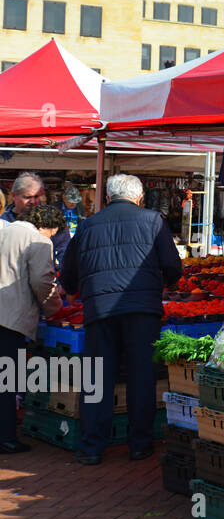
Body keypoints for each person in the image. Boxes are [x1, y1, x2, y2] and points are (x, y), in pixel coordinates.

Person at [61, 174, 183, 464]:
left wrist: (73, 290)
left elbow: (69, 272)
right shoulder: (153, 221)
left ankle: (91, 447)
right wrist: (169, 281)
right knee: (141, 376)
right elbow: (171, 264)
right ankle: (139, 444)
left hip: (100, 310)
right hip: (142, 310)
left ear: (107, 198)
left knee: (97, 379)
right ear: (139, 197)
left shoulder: (88, 225)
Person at [0, 205, 65, 455]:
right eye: (53, 233)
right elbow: (42, 281)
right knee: (7, 380)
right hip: (11, 318)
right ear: (47, 227)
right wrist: (54, 306)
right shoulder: (38, 240)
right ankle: (6, 437)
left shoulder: (4, 229)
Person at [2, 172, 71, 267]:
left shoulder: (52, 219)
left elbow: (64, 252)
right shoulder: (3, 222)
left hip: (43, 277)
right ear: (13, 196)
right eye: (27, 197)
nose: (33, 201)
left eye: (36, 196)